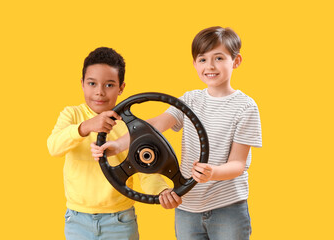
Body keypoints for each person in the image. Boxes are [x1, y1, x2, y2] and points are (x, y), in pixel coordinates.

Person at [91, 27, 262, 240]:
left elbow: (238, 164)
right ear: (194, 64)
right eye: (202, 59)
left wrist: (213, 173)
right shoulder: (190, 100)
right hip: (187, 206)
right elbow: (154, 125)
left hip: (228, 207)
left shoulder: (245, 107)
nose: (210, 66)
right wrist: (117, 145)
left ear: (236, 61)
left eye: (218, 58)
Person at [47, 47, 180, 240]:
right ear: (82, 84)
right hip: (77, 220)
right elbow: (54, 147)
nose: (99, 92)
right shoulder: (72, 115)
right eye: (92, 83)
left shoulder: (131, 127)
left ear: (121, 88)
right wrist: (85, 127)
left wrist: (161, 191)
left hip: (120, 221)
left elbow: (144, 170)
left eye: (109, 85)